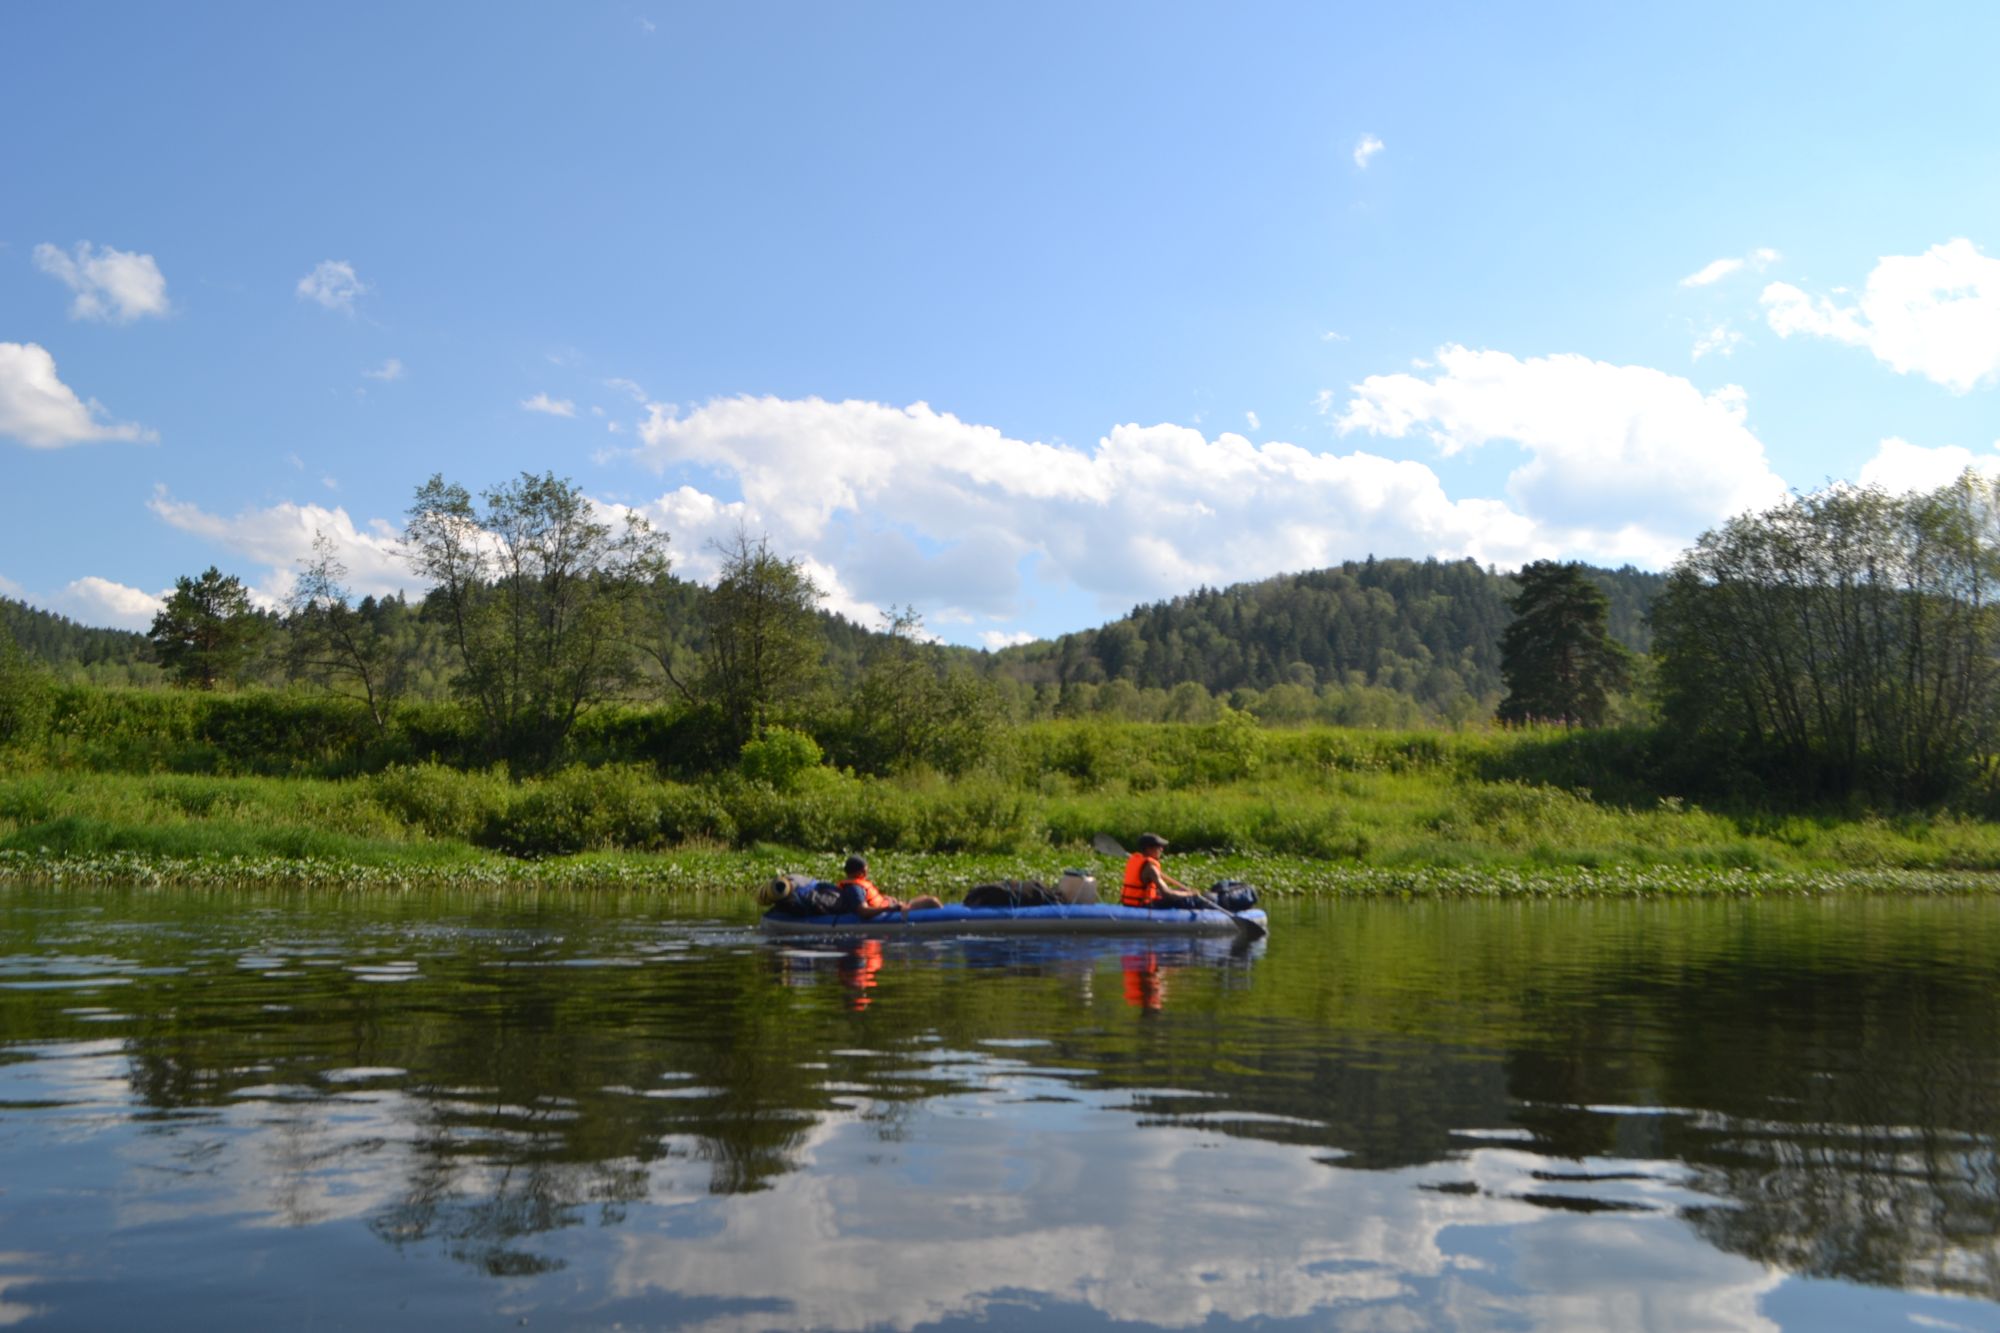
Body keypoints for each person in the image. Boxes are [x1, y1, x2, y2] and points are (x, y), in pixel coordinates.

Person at [835, 855, 942, 919]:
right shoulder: (855, 888)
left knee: (925, 898)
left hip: (890, 908)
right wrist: (888, 908)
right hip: (888, 913)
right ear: (860, 871)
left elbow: (870, 901)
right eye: (866, 869)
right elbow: (863, 912)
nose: (867, 872)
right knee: (932, 902)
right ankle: (946, 917)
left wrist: (886, 899)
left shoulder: (856, 884)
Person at [1119, 834, 1201, 910]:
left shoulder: (1135, 860)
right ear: (1148, 848)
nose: (1161, 849)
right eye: (1159, 847)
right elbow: (1168, 894)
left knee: (1179, 892)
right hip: (1143, 906)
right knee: (1187, 900)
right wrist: (1190, 894)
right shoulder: (1151, 868)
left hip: (1129, 904)